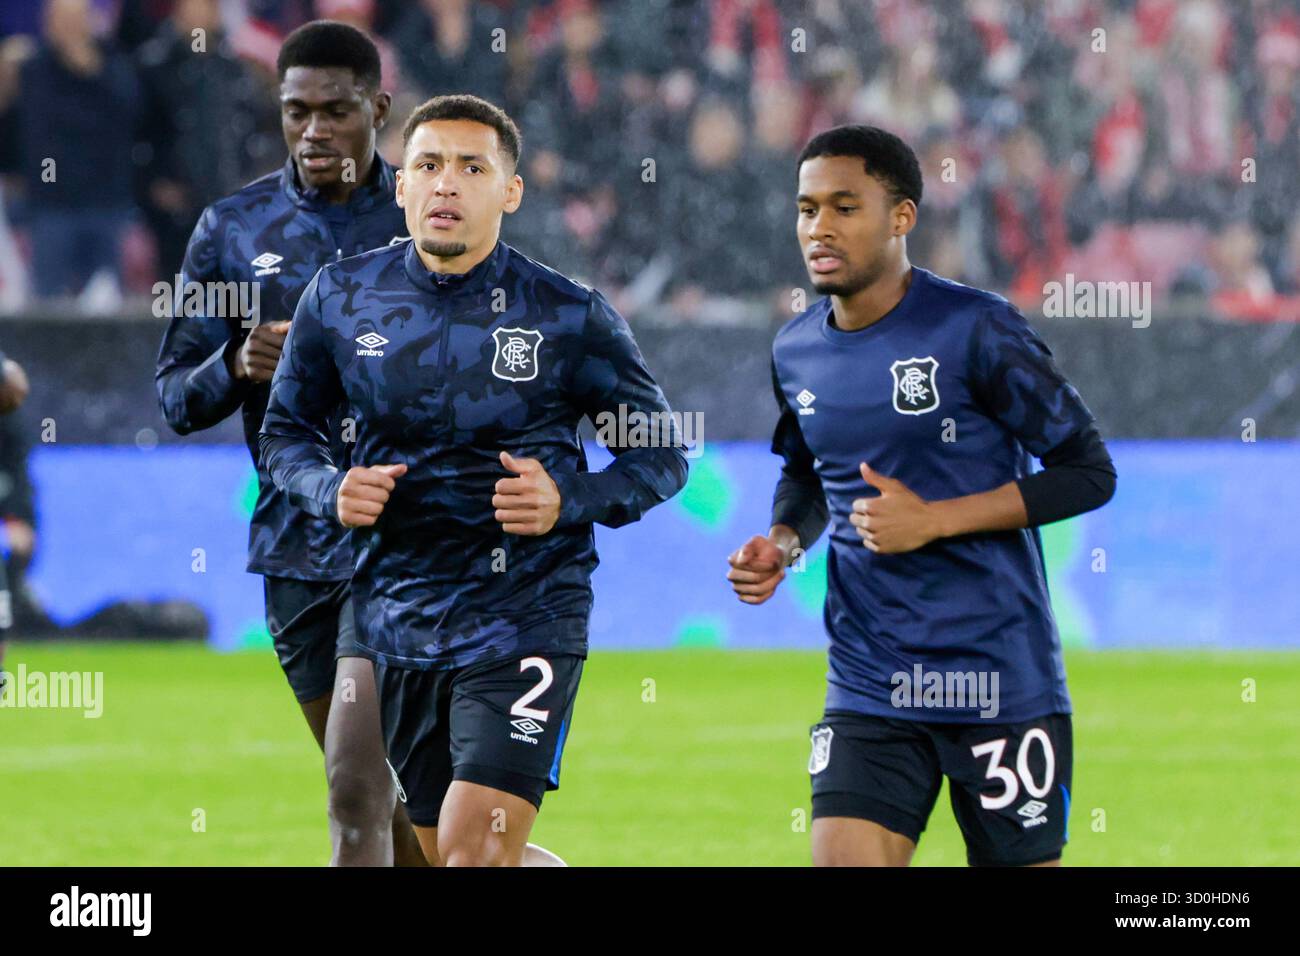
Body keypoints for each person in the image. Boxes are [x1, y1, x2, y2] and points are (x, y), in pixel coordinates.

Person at [260, 93, 688, 866]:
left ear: (510, 192)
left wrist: (570, 499)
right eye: (427, 165)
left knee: (471, 852)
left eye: (471, 167)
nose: (445, 184)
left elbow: (662, 454)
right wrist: (330, 490)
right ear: (401, 186)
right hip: (397, 614)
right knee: (442, 856)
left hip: (526, 610)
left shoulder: (569, 316)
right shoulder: (340, 297)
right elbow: (285, 435)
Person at [727, 125, 1116, 867]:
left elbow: (1088, 469)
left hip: (997, 675)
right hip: (870, 680)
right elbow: (810, 472)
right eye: (807, 209)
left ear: (902, 217)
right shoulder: (795, 348)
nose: (820, 228)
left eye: (846, 207)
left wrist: (934, 521)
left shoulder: (975, 328)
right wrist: (781, 542)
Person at [154, 20, 421, 866]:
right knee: (384, 803)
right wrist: (235, 363)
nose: (313, 131)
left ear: (378, 108)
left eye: (335, 112)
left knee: (354, 789)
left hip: (409, 544)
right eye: (295, 111)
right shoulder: (233, 230)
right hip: (295, 544)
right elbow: (175, 398)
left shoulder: (432, 212)